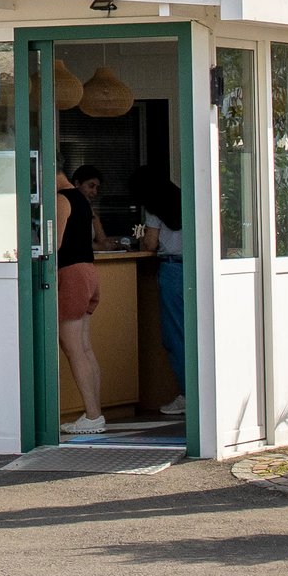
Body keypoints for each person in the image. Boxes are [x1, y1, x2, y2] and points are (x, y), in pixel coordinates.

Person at [130, 172, 190, 423]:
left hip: (172, 269)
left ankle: (187, 393)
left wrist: (141, 238)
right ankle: (200, 391)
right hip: (194, 268)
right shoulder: (187, 200)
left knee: (175, 334)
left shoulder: (154, 210)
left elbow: (151, 244)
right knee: (194, 332)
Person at [55, 164, 108, 436]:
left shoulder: (62, 199)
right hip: (88, 272)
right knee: (85, 348)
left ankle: (93, 415)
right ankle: (94, 412)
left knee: (73, 348)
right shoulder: (81, 199)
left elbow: (54, 243)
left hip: (71, 274)